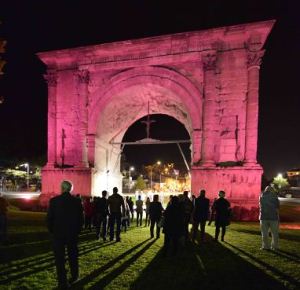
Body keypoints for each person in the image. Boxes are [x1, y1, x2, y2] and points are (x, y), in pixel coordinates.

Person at [47, 180, 83, 289]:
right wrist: (78, 230)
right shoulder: (77, 201)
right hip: (72, 233)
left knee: (59, 258)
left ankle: (62, 281)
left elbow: (49, 218)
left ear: (62, 188)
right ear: (70, 189)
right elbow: (81, 219)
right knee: (73, 255)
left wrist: (52, 230)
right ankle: (74, 275)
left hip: (58, 233)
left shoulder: (54, 201)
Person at [259, 185, 280, 250]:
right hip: (273, 217)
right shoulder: (275, 197)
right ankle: (275, 246)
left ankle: (265, 246)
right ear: (272, 190)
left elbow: (260, 206)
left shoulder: (261, 196)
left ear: (265, 190)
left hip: (263, 217)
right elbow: (277, 207)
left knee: (264, 233)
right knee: (274, 233)